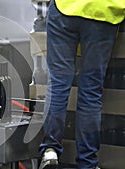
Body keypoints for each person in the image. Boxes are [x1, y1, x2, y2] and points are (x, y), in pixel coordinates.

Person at [39, 0, 125, 169]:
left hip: (66, 8)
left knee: (57, 85)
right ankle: (87, 162)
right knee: (91, 93)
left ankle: (50, 150)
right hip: (103, 12)